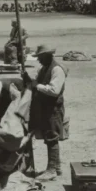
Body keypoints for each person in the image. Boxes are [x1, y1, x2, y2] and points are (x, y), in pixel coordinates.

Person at [24, 44, 67, 181]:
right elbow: (37, 81)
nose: (38, 60)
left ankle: (52, 169)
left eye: (40, 57)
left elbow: (54, 91)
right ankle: (57, 167)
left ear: (47, 56)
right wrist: (30, 81)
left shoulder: (57, 69)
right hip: (45, 108)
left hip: (53, 108)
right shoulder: (44, 68)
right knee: (50, 135)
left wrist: (37, 86)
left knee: (52, 138)